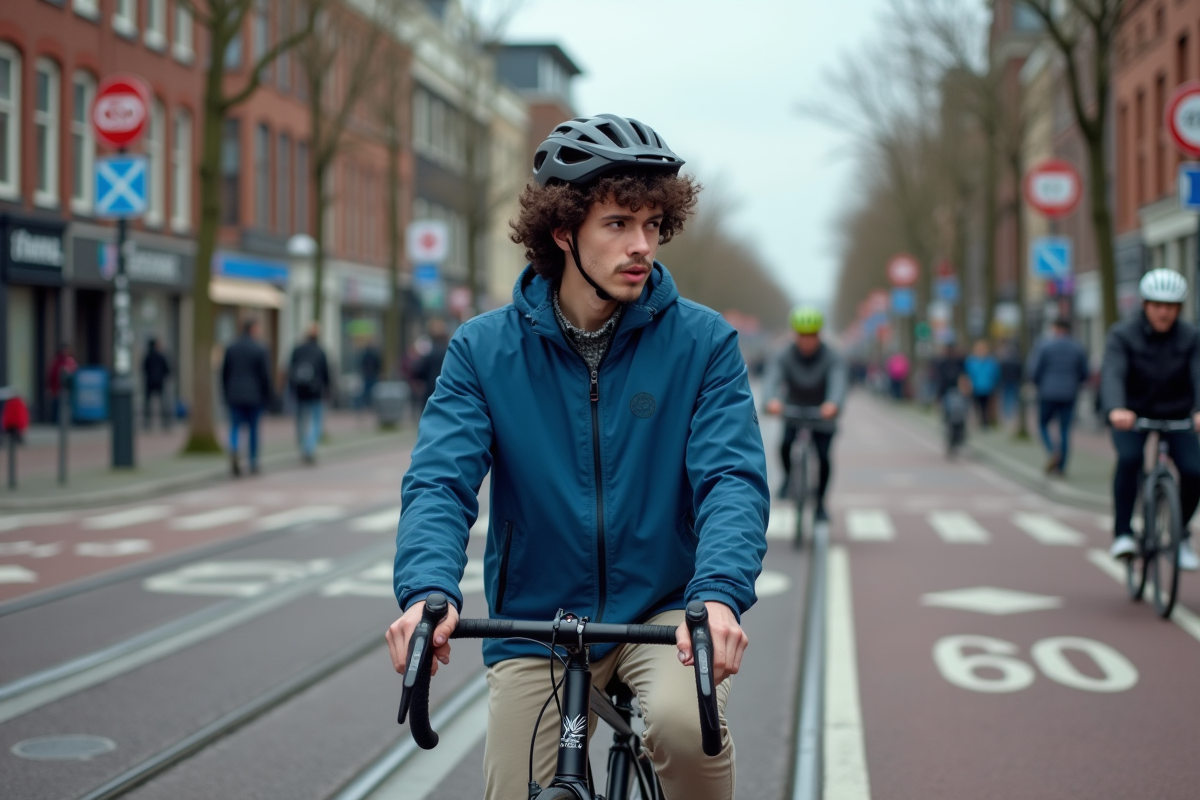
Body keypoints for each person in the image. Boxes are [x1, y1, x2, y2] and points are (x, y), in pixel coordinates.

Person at [386, 114, 768, 800]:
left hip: (663, 610)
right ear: (562, 231)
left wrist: (716, 596)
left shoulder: (704, 344)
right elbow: (441, 483)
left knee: (687, 730)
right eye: (619, 224)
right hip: (539, 619)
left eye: (653, 225)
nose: (642, 245)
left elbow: (731, 479)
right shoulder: (482, 351)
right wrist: (426, 592)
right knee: (514, 788)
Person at [1101, 269, 1200, 570]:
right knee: (1130, 459)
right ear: (1144, 305)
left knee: (1195, 471)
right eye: (1157, 305)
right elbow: (1113, 373)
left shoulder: (1192, 337)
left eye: (1170, 306)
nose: (1163, 312)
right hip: (1132, 414)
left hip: (1177, 413)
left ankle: (1179, 535)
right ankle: (1123, 534)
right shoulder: (1122, 335)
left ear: (1179, 309)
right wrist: (1116, 408)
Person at [765, 307, 846, 521]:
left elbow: (838, 381)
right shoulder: (784, 354)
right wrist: (771, 400)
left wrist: (833, 403)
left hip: (822, 412)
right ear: (795, 335)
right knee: (784, 445)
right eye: (802, 336)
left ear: (819, 334)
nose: (807, 341)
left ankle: (820, 503)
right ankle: (788, 478)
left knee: (823, 457)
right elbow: (773, 376)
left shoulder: (832, 356)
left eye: (811, 336)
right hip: (793, 409)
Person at [1028, 319, 1089, 476]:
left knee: (1042, 425)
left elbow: (1034, 370)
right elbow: (1084, 372)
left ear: (1055, 329)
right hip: (1069, 393)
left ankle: (1052, 451)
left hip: (1047, 392)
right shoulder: (1077, 347)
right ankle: (1061, 467)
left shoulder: (1044, 345)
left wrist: (1037, 384)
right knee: (1065, 430)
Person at [221, 319, 272, 476]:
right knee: (253, 430)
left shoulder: (231, 348)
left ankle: (235, 450)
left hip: (234, 395)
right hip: (254, 396)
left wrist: (225, 393)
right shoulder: (259, 349)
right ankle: (253, 461)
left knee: (235, 427)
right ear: (253, 329)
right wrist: (269, 396)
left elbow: (224, 374)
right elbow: (265, 376)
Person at [288, 322, 331, 465]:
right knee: (316, 422)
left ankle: (302, 447)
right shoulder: (320, 351)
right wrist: (328, 389)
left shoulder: (297, 350)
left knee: (300, 421)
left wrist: (291, 389)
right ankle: (309, 448)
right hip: (316, 392)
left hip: (300, 391)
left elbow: (290, 369)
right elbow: (326, 373)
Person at [410, 318, 449, 413]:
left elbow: (420, 370)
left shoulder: (430, 354)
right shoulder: (448, 352)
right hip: (446, 388)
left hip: (431, 387)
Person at [964, 339, 999, 428]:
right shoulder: (971, 361)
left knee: (986, 406)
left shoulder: (991, 361)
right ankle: (980, 420)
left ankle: (985, 422)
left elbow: (996, 373)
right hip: (975, 387)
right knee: (977, 405)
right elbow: (967, 373)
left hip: (988, 387)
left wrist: (994, 383)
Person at [142, 337, 172, 431]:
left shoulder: (147, 356)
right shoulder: (161, 356)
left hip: (149, 382)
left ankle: (147, 423)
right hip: (160, 382)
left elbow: (143, 368)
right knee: (163, 402)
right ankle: (165, 423)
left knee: (147, 403)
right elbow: (167, 369)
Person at [46, 343, 77, 424]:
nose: (65, 352)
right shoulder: (56, 362)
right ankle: (56, 421)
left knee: (67, 406)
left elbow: (75, 374)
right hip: (57, 389)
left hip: (69, 389)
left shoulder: (71, 362)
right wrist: (50, 388)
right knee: (57, 406)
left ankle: (67, 422)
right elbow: (52, 375)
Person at [998, 342, 1023, 422]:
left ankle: (1007, 412)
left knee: (1006, 397)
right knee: (1013, 397)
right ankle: (1012, 412)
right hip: (1014, 381)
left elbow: (1001, 373)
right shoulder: (1017, 361)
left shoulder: (1003, 362)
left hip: (1005, 381)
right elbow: (1019, 371)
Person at [358, 339, 382, 410]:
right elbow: (378, 364)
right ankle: (371, 405)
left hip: (368, 375)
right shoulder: (374, 354)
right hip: (372, 375)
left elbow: (362, 364)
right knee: (373, 392)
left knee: (367, 392)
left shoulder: (366, 354)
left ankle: (366, 405)